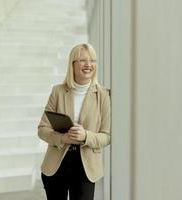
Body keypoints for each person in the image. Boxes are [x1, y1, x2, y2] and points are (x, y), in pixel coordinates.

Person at [38, 43, 111, 200]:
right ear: (73, 63)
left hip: (86, 167)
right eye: (83, 60)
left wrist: (85, 136)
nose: (88, 65)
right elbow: (42, 129)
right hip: (56, 165)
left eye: (92, 60)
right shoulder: (57, 92)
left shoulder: (104, 95)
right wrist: (62, 138)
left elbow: (107, 136)